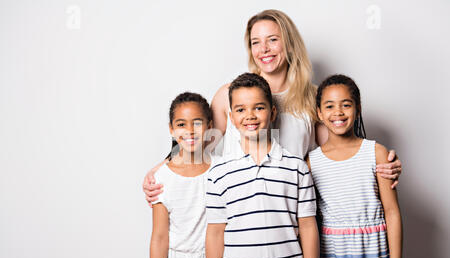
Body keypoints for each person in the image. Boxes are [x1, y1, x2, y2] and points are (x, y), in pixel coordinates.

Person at [143, 9, 402, 206]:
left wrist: (379, 164)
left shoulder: (314, 99)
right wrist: (160, 171)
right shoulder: (228, 95)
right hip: (238, 209)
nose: (263, 49)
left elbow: (337, 153)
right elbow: (198, 147)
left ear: (288, 43)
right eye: (256, 42)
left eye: (272, 40)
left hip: (291, 211)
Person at [205, 73, 320, 258]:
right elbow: (215, 234)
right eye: (240, 110)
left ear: (273, 112)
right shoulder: (218, 175)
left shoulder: (297, 168)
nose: (250, 116)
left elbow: (307, 228)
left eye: (259, 108)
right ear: (231, 117)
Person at [307, 74, 404, 258]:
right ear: (319, 113)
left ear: (358, 109)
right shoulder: (312, 162)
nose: (338, 112)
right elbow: (311, 221)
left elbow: (392, 213)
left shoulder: (377, 153)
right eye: (329, 106)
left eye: (346, 105)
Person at [148, 92, 213, 258]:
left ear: (209, 126)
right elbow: (159, 238)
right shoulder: (162, 177)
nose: (190, 131)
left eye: (197, 123)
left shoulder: (220, 170)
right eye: (181, 124)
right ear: (171, 129)